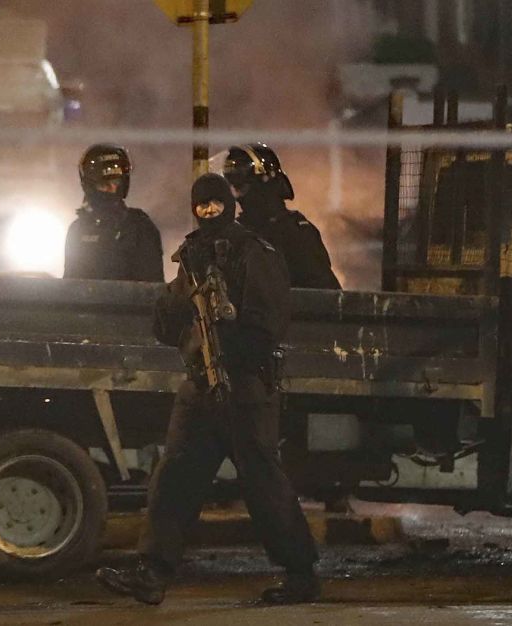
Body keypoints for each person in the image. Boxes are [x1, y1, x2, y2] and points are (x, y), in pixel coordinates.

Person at [95, 174, 320, 606]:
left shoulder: (255, 253)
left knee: (262, 481)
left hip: (245, 387)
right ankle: (153, 571)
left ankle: (300, 572)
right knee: (174, 476)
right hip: (201, 386)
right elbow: (164, 327)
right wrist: (183, 301)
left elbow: (269, 322)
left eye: (217, 204)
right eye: (203, 206)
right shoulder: (192, 255)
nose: (210, 213)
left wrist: (229, 334)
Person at [224, 143, 341, 290]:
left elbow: (325, 297)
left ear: (264, 183)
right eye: (234, 187)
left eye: (241, 187)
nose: (238, 195)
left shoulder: (296, 234)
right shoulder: (233, 234)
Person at [64, 144, 164, 282]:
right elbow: (69, 287)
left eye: (116, 183)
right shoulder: (78, 230)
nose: (112, 189)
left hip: (131, 303)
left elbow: (152, 289)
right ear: (90, 186)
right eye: (104, 185)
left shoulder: (140, 227)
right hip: (88, 303)